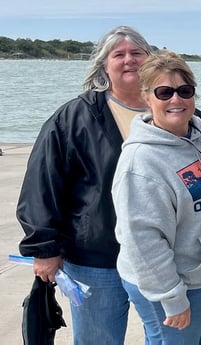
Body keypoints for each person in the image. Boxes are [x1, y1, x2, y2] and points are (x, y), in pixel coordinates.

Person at [17, 26, 155, 344]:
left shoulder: (174, 108)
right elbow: (42, 185)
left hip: (159, 256)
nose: (128, 60)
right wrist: (43, 249)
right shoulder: (73, 117)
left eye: (137, 53)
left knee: (166, 338)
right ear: (104, 66)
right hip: (95, 259)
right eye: (118, 54)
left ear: (151, 60)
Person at [112, 50, 201, 344]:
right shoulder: (140, 163)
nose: (175, 100)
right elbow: (141, 239)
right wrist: (171, 297)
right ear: (146, 97)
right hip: (172, 282)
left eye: (184, 91)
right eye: (164, 92)